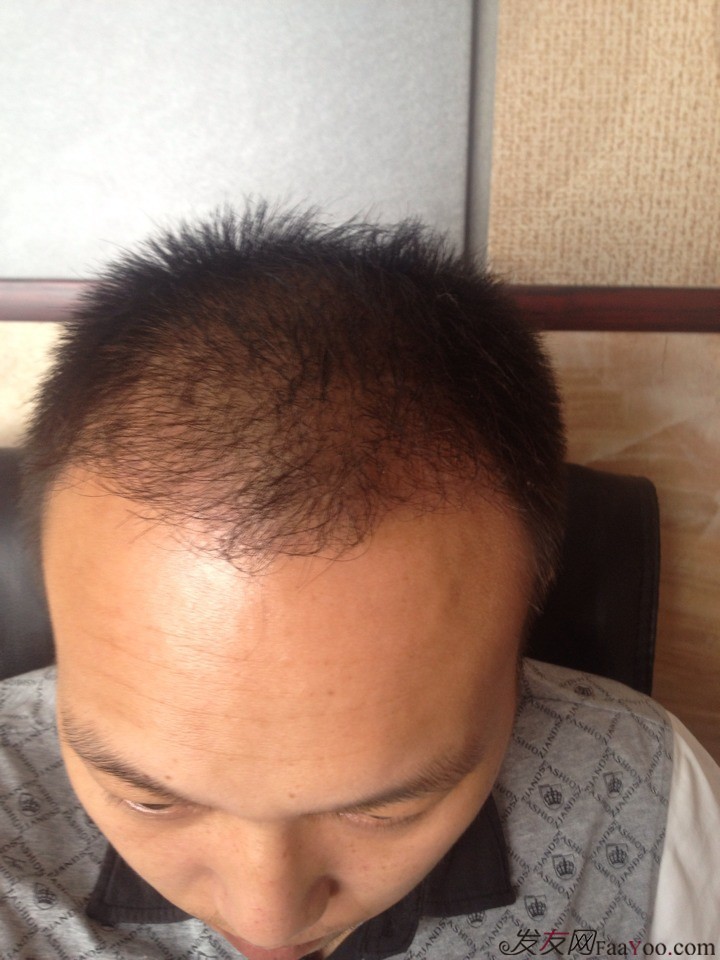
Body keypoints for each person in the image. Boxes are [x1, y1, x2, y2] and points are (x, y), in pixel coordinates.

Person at [1, 205, 718, 960]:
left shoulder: (643, 792)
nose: (267, 921)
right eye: (147, 798)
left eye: (386, 811)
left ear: (523, 633)